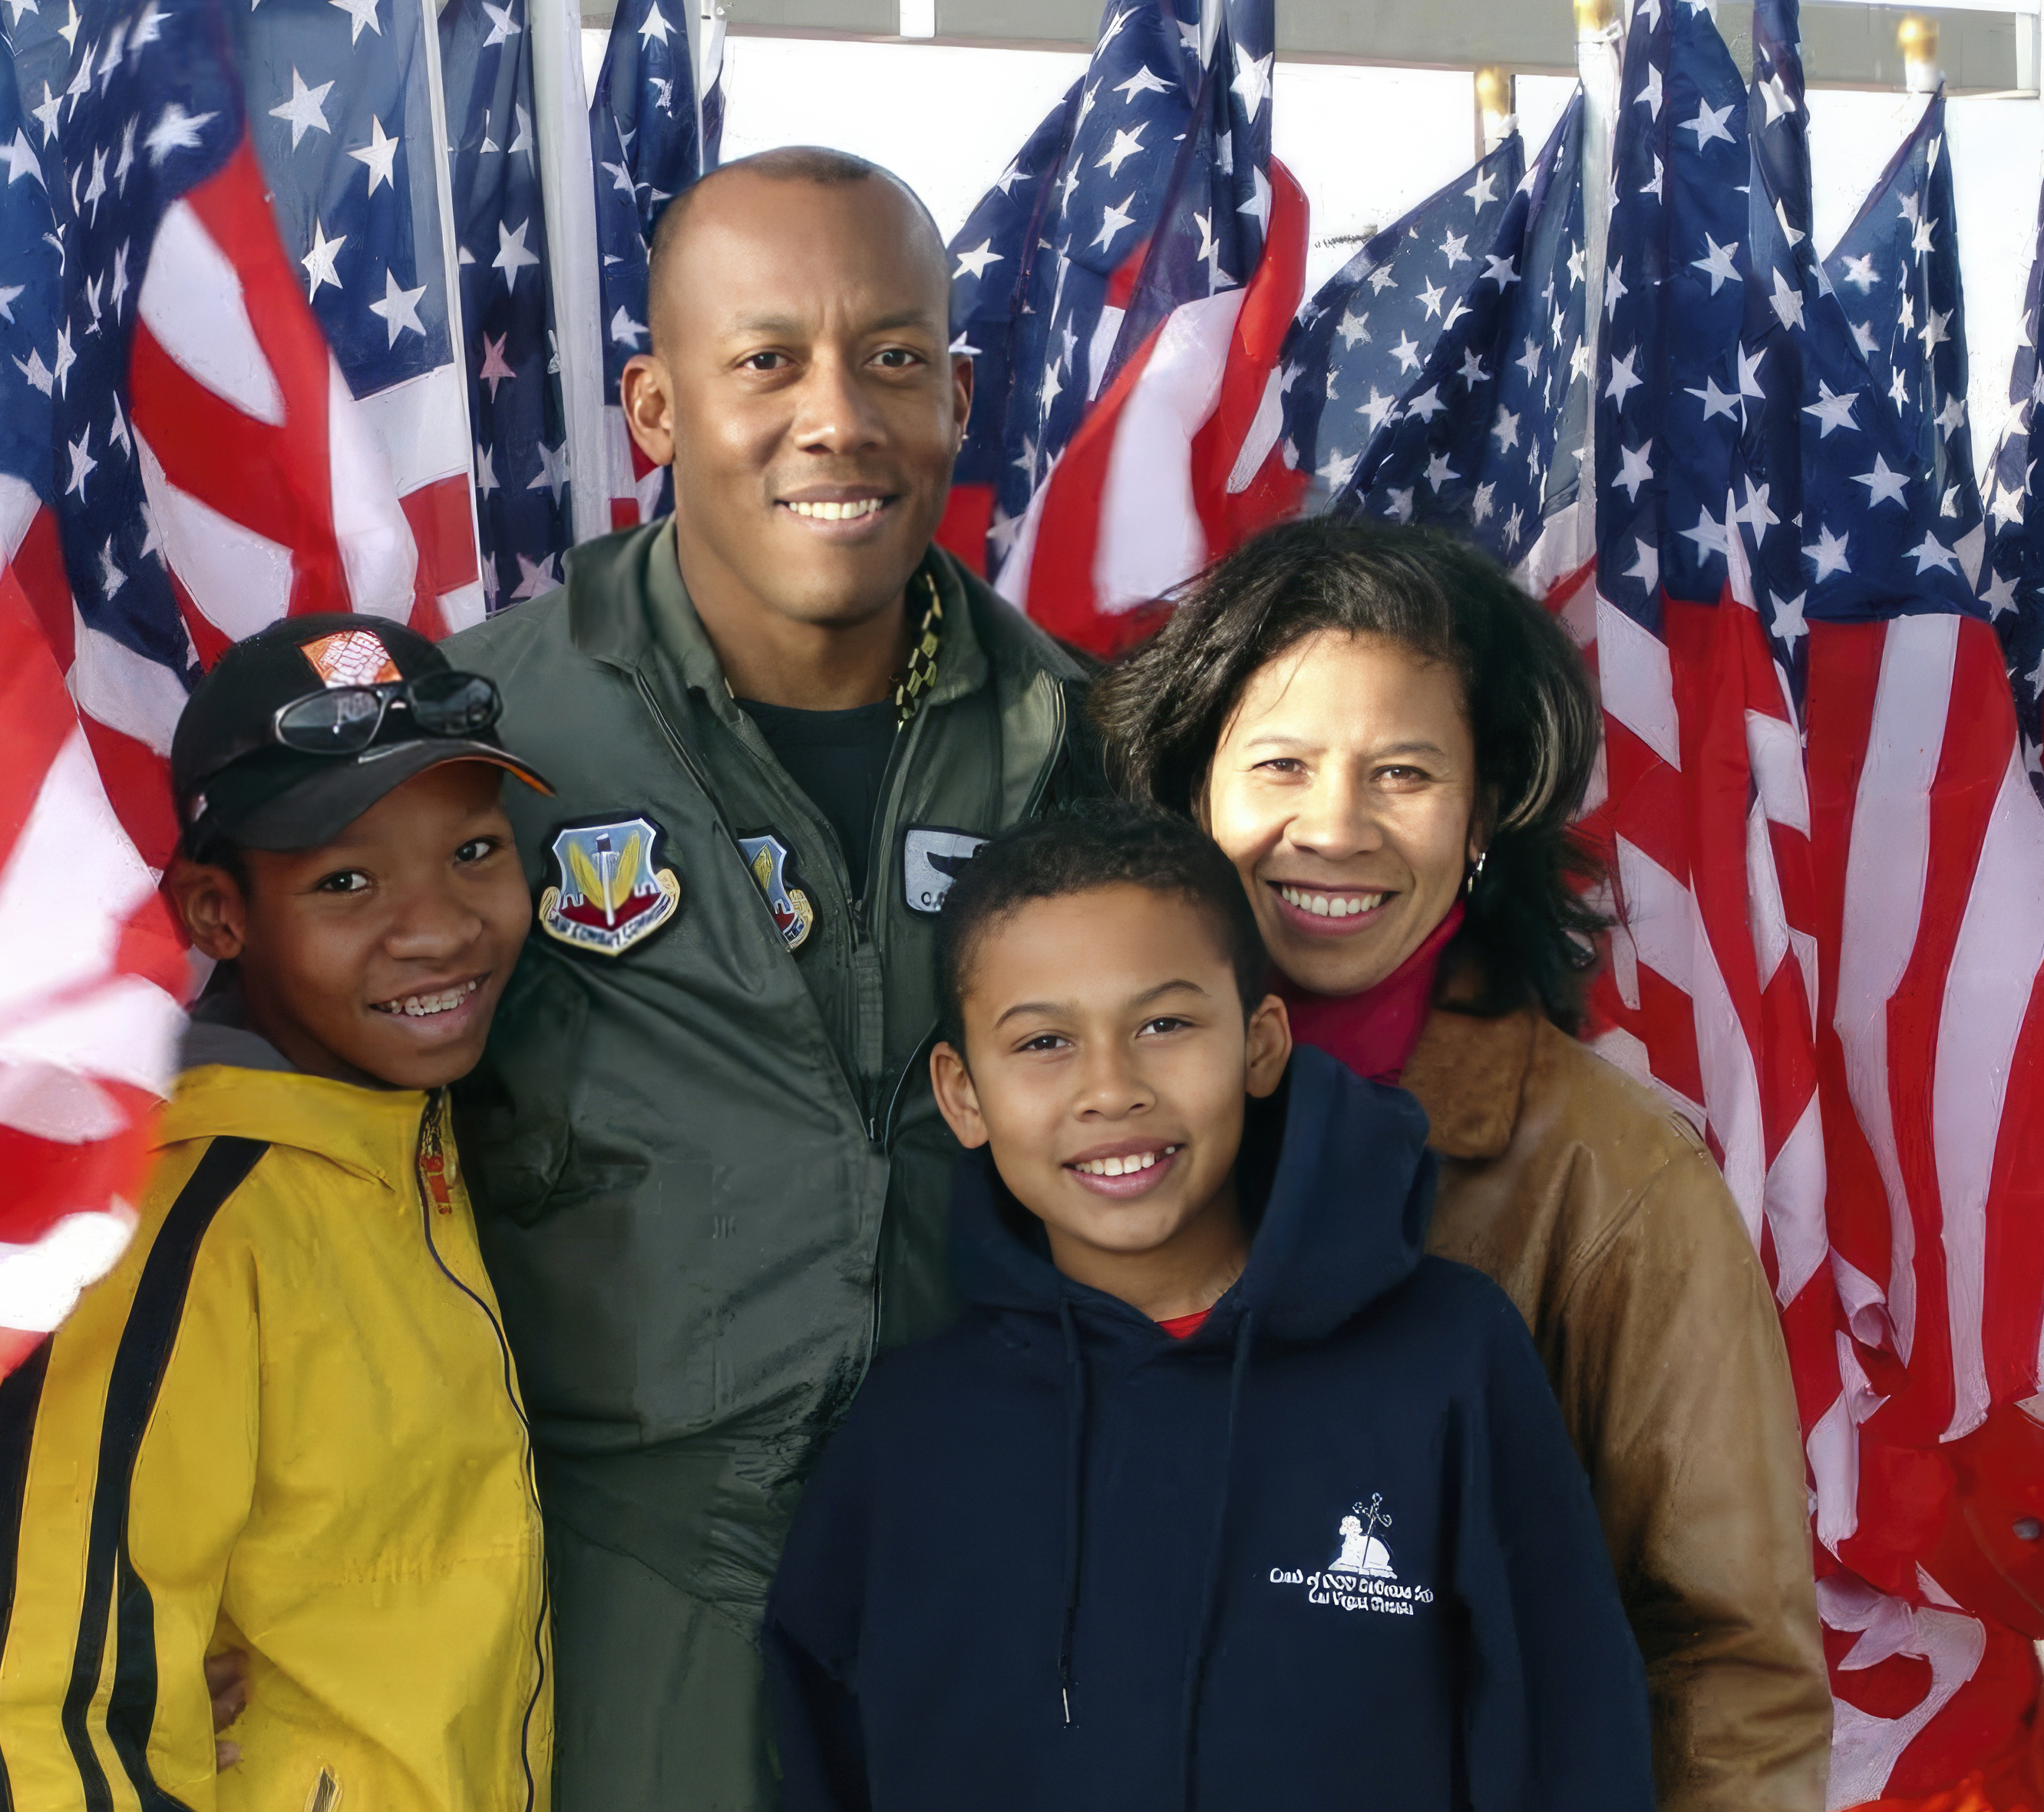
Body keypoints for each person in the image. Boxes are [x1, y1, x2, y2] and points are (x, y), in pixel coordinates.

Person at [442, 147, 1095, 1810]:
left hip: (1005, 1578)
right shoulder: (473, 746)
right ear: (655, 408)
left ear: (955, 396)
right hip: (618, 1580)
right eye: (765, 360)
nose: (836, 416)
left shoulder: (1088, 747)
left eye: (890, 358)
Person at [1092, 518, 1832, 1812]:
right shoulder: (1073, 1125)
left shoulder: (1612, 1181)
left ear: (1483, 814)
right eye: (1279, 765)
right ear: (1190, 792)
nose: (1333, 828)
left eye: (1402, 774)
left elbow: (1731, 1661)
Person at [761, 804, 1656, 1812]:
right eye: (1044, 1040)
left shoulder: (1446, 1360)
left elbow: (1566, 1742)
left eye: (1164, 1023)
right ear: (962, 1095)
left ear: (1261, 1042)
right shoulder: (902, 1442)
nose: (1110, 1088)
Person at [0, 616, 554, 1812]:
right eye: (345, 882)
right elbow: (28, 1713)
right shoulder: (164, 1224)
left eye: (473, 850)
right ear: (216, 915)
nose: (440, 924)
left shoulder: (417, 1150)